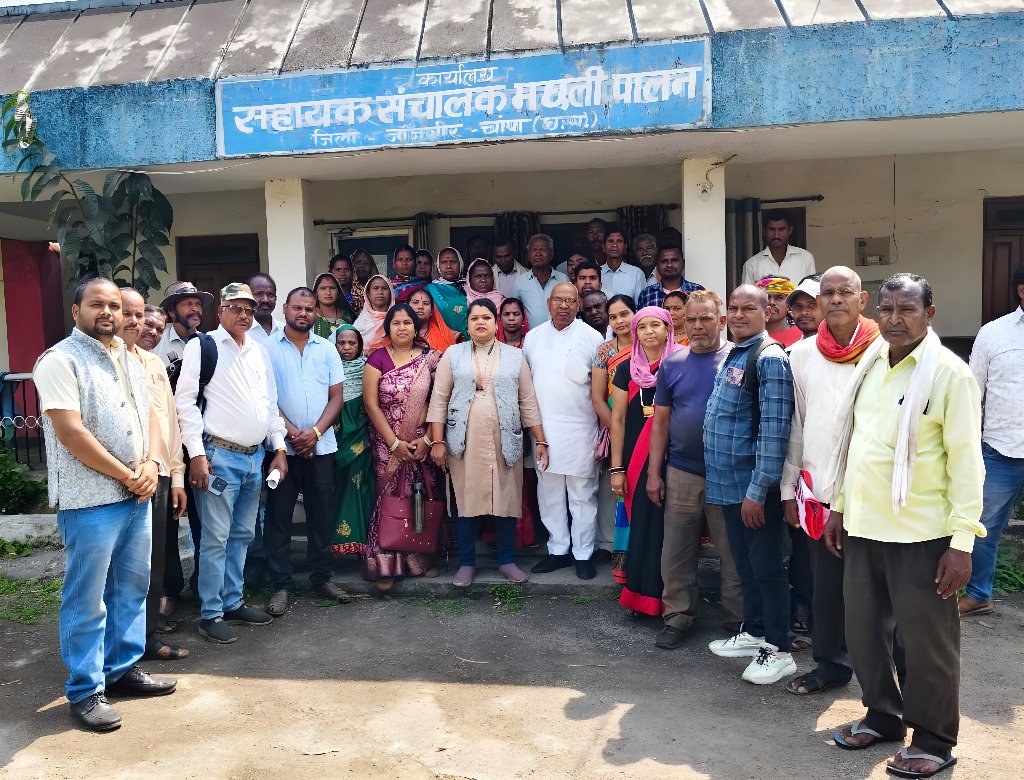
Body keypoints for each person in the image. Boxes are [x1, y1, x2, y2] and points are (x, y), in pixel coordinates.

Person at [824, 273, 984, 779]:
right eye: (887, 309)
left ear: (929, 315)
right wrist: (839, 507)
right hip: (864, 525)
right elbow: (858, 446)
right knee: (864, 632)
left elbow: (967, 464)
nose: (894, 319)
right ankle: (883, 716)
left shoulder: (949, 375)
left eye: (907, 310)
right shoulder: (872, 362)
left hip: (921, 534)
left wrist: (962, 542)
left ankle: (934, 740)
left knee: (926, 642)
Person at [34, 277, 174, 731]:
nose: (108, 313)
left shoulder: (128, 356)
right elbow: (71, 432)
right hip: (91, 501)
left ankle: (120, 669)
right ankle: (85, 689)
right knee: (87, 597)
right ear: (77, 311)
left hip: (136, 494)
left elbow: (150, 416)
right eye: (97, 305)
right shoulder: (59, 360)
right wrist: (128, 475)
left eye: (114, 305)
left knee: (131, 588)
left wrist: (152, 462)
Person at [780, 266, 879, 695]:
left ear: (863, 300)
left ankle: (884, 675)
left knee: (878, 589)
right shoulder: (801, 355)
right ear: (818, 302)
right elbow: (796, 426)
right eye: (828, 293)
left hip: (873, 492)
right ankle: (831, 664)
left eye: (846, 292)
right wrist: (788, 489)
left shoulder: (884, 350)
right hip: (820, 489)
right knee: (826, 586)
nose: (836, 299)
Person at [175, 283, 289, 645]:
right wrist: (196, 454)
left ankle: (233, 601)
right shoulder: (203, 346)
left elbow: (269, 404)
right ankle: (211, 613)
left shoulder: (259, 350)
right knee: (215, 538)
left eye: (249, 310)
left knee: (242, 535)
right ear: (221, 311)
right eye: (236, 308)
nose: (243, 315)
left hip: (255, 457)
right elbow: (185, 403)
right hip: (218, 457)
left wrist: (279, 448)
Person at [705, 284, 796, 685]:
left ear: (768, 312)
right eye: (734, 308)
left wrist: (757, 493)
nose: (739, 315)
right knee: (745, 564)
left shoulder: (769, 358)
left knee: (767, 568)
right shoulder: (737, 352)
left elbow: (774, 433)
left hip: (752, 489)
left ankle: (778, 649)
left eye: (749, 308)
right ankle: (755, 630)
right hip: (727, 484)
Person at [427, 299, 548, 587]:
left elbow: (527, 401)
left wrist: (540, 440)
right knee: (466, 499)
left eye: (486, 317)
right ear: (467, 325)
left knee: (506, 497)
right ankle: (466, 563)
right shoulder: (453, 354)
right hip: (463, 440)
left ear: (496, 324)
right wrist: (438, 441)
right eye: (474, 318)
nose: (480, 322)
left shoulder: (514, 356)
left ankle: (507, 560)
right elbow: (439, 399)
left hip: (505, 437)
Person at [646, 290, 742, 649]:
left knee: (733, 551)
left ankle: (739, 620)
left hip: (727, 473)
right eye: (691, 319)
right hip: (682, 472)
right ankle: (678, 617)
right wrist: (654, 474)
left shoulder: (740, 360)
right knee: (676, 551)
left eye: (706, 318)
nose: (698, 325)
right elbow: (660, 423)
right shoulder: (672, 364)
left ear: (722, 321)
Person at [263, 287, 349, 617]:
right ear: (285, 308)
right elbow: (266, 399)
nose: (303, 313)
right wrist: (293, 434)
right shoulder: (266, 349)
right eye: (297, 307)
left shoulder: (327, 348)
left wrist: (314, 433)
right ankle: (281, 584)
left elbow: (336, 396)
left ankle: (322, 578)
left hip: (321, 446)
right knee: (279, 516)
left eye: (309, 309)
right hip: (281, 449)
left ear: (316, 313)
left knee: (321, 515)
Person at [119, 289, 189, 663]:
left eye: (159, 328)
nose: (151, 331)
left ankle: (147, 636)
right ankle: (121, 643)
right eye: (147, 323)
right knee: (124, 567)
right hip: (122, 475)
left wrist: (177, 478)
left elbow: (170, 426)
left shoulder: (154, 365)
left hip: (159, 474)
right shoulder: (111, 360)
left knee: (154, 561)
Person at [524, 283, 604, 579]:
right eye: (558, 300)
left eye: (570, 301)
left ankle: (583, 554)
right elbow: (526, 386)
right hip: (543, 430)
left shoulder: (593, 337)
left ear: (578, 305)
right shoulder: (533, 337)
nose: (564, 306)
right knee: (549, 493)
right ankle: (558, 550)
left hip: (581, 429)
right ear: (548, 303)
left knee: (583, 494)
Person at [362, 303, 443, 589]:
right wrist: (393, 442)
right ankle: (385, 564)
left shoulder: (431, 359)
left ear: (415, 326)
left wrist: (428, 439)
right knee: (389, 501)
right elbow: (371, 405)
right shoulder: (377, 359)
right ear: (388, 328)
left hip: (421, 444)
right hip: (387, 444)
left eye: (407, 322)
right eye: (396, 323)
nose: (402, 328)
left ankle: (420, 560)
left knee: (419, 499)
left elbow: (440, 401)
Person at [609, 307, 683, 614]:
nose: (649, 331)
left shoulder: (681, 363)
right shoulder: (627, 369)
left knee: (672, 529)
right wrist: (617, 468)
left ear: (668, 329)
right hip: (637, 459)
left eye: (656, 325)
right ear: (635, 333)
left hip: (675, 455)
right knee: (642, 524)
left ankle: (674, 600)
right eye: (642, 327)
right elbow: (617, 420)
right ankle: (642, 596)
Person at [961, 262, 1024, 616]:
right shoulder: (993, 333)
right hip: (1001, 450)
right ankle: (979, 593)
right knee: (983, 527)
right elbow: (973, 392)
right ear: (1022, 291)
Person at [779, 273, 822, 645]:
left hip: (841, 469)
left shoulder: (861, 353)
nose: (805, 312)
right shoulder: (791, 356)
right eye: (799, 306)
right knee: (803, 544)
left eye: (813, 304)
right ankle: (803, 609)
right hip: (802, 466)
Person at [592, 294, 637, 569]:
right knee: (614, 490)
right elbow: (597, 399)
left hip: (647, 430)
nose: (619, 321)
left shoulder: (650, 345)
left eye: (624, 314)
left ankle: (641, 550)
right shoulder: (604, 351)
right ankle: (610, 546)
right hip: (615, 429)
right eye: (613, 317)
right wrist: (620, 431)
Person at [329, 325, 375, 556]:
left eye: (352, 343)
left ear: (360, 345)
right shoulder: (327, 368)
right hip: (334, 438)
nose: (347, 348)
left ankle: (360, 540)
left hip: (360, 438)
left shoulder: (368, 369)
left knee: (358, 487)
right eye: (341, 343)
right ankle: (333, 542)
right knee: (335, 490)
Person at [741, 211, 816, 286]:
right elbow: (746, 293)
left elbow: (812, 290)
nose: (776, 235)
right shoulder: (752, 264)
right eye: (771, 229)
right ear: (764, 231)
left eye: (781, 229)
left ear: (790, 231)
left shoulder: (805, 258)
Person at [514, 234, 569, 327]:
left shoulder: (563, 279)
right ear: (528, 256)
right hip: (531, 335)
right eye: (534, 250)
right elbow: (513, 310)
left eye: (543, 250)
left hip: (560, 333)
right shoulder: (520, 282)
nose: (538, 254)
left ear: (551, 255)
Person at [154, 281, 213, 366]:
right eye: (188, 304)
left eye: (198, 304)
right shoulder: (157, 342)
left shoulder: (208, 344)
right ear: (171, 311)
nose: (196, 309)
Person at [636, 246, 705, 309]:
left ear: (683, 263)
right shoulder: (647, 294)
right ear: (657, 265)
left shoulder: (697, 291)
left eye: (674, 260)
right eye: (664, 261)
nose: (669, 265)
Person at [425, 246, 469, 335]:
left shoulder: (470, 286)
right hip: (442, 338)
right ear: (438, 266)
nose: (449, 266)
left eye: (453, 262)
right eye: (444, 262)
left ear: (460, 264)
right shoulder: (430, 290)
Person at [600, 226, 646, 301]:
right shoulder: (597, 273)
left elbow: (640, 304)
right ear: (603, 247)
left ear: (625, 247)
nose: (615, 245)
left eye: (619, 241)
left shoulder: (636, 273)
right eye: (611, 241)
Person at [756, 276, 803, 348]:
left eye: (779, 298)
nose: (771, 302)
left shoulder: (803, 335)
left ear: (789, 304)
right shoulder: (749, 336)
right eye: (767, 297)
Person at [408, 288, 459, 353]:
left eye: (426, 303)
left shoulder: (447, 335)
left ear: (432, 310)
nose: (420, 306)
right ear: (407, 307)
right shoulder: (400, 332)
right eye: (415, 302)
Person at [353, 275, 394, 354]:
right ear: (368, 294)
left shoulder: (396, 319)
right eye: (375, 288)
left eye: (384, 288)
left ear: (391, 293)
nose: (380, 292)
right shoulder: (359, 324)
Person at [312, 272, 354, 338]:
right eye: (323, 288)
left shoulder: (348, 317)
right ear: (316, 293)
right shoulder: (310, 316)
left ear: (338, 293)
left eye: (332, 288)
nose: (328, 292)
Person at [246, 273, 285, 344]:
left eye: (270, 295)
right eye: (258, 294)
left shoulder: (285, 331)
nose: (265, 300)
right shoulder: (239, 332)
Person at [788, 274, 823, 338]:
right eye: (798, 306)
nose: (804, 312)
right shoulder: (792, 345)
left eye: (812, 305)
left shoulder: (841, 343)